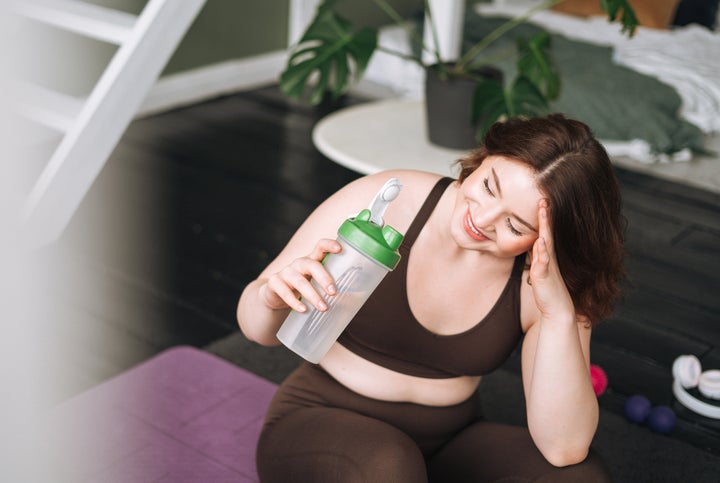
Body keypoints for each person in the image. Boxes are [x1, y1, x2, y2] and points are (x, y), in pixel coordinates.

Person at [237, 113, 625, 482]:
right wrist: (271, 299)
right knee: (388, 465)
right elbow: (256, 329)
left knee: (580, 477)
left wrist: (559, 313)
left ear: (549, 240)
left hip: (450, 440)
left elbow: (564, 448)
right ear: (485, 155)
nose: (483, 219)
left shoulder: (545, 281)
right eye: (490, 186)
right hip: (321, 421)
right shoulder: (391, 202)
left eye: (514, 224)